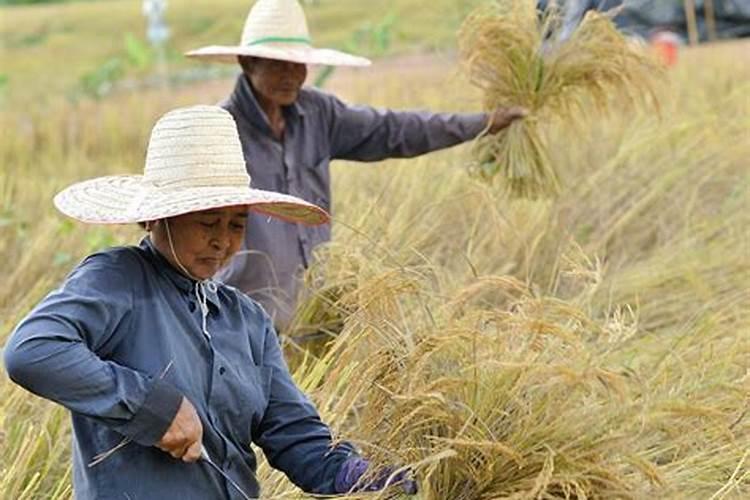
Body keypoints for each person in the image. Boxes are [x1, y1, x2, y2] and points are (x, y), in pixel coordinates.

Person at [3, 105, 415, 499]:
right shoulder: (118, 280)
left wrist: (357, 474)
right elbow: (32, 352)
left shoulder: (246, 319)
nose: (223, 240)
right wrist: (153, 407)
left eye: (237, 224)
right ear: (153, 219)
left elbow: (292, 433)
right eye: (206, 222)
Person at [186, 0, 527, 330]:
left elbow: (395, 130)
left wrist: (482, 123)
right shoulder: (219, 131)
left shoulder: (319, 114)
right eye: (278, 64)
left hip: (313, 317)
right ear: (248, 63)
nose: (291, 75)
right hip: (240, 321)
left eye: (298, 64)